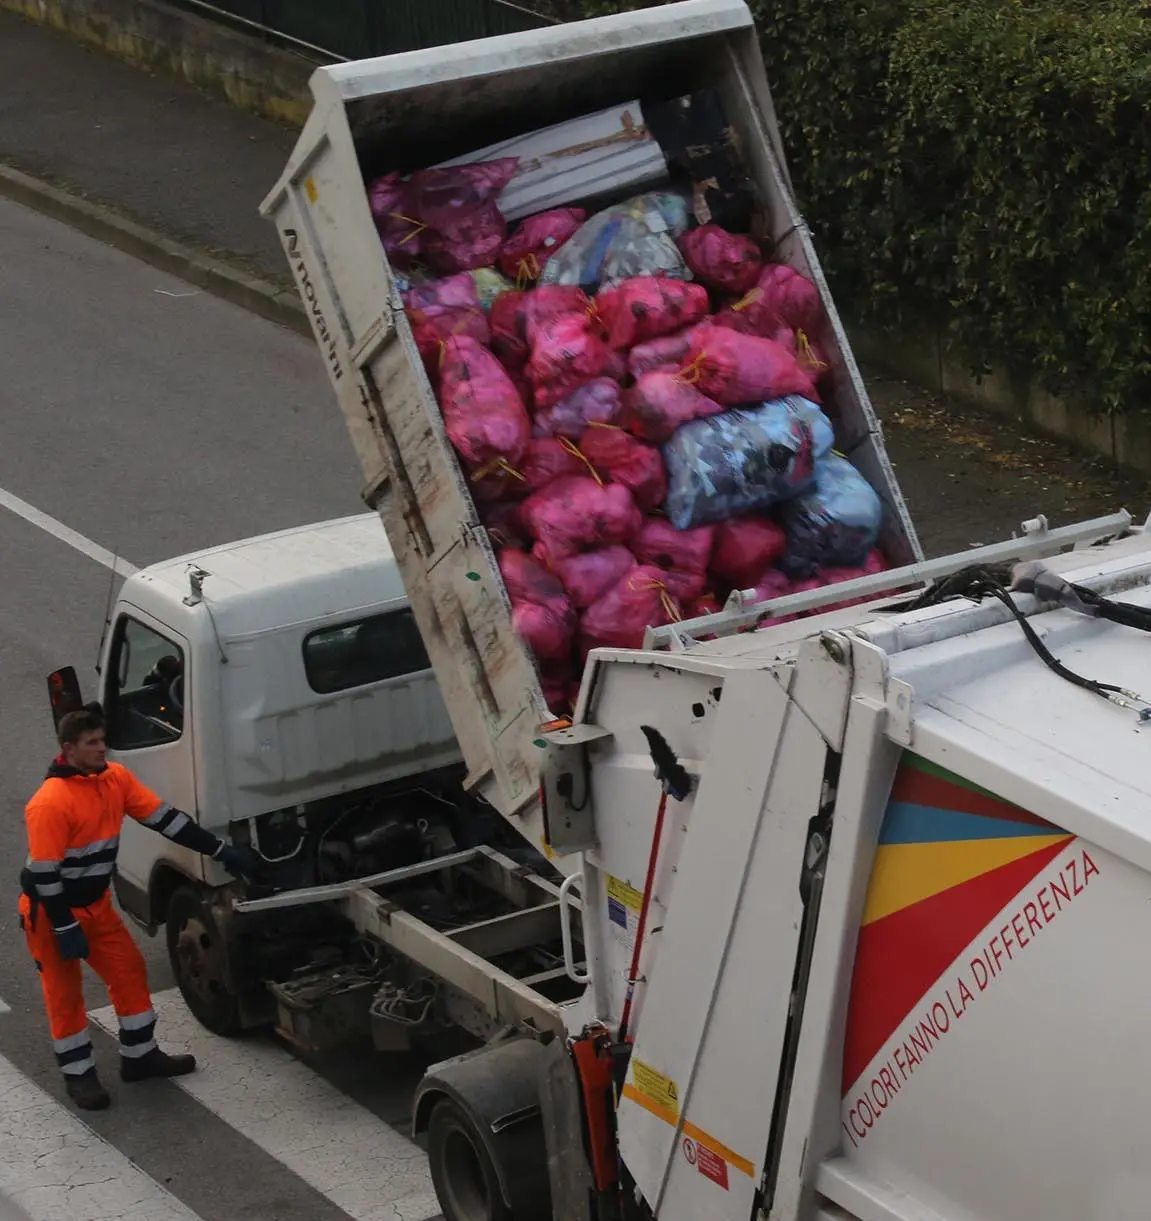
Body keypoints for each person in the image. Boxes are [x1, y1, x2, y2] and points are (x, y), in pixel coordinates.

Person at [19, 704, 260, 1111]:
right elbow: (45, 876)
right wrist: (63, 927)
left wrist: (221, 850)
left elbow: (166, 820)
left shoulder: (115, 780)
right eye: (92, 742)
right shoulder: (49, 803)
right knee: (64, 995)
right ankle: (79, 1077)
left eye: (103, 739)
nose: (103, 748)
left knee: (129, 972)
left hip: (96, 907)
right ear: (69, 749)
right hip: (51, 913)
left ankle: (139, 1056)